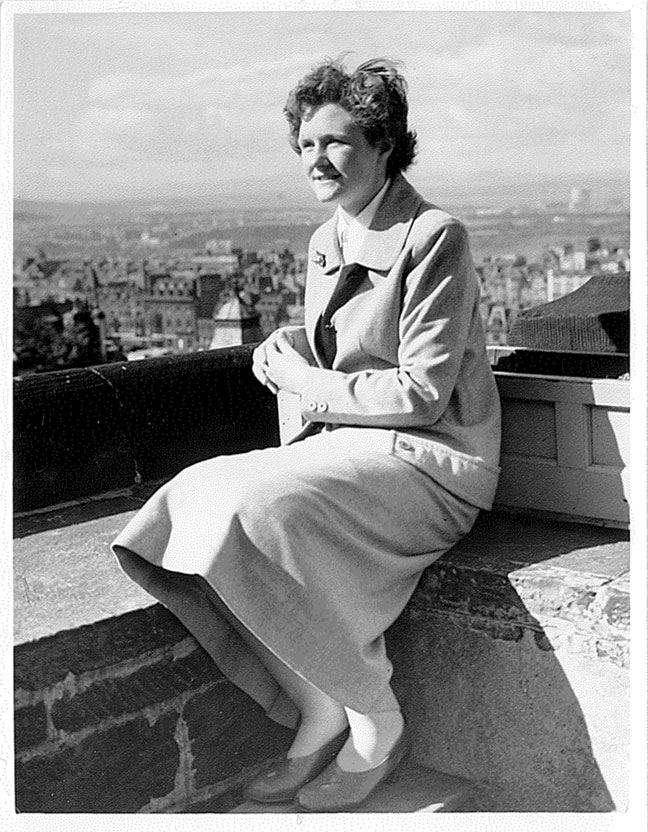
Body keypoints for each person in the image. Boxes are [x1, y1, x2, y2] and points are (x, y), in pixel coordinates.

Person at [112, 57, 501, 812]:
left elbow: (421, 393)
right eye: (304, 146)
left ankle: (375, 720)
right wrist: (286, 348)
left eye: (336, 142)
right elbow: (346, 355)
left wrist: (302, 380)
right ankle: (319, 708)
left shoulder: (433, 236)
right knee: (188, 500)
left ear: (384, 144)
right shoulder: (328, 239)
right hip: (354, 444)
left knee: (254, 511)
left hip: (433, 461)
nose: (315, 160)